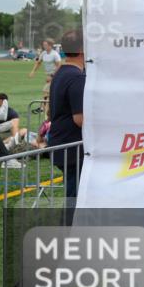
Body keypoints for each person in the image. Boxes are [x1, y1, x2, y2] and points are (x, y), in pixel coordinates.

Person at [47, 29, 86, 201]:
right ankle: (70, 227)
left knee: (73, 194)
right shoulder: (77, 77)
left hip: (61, 144)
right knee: (75, 197)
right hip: (72, 148)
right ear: (82, 50)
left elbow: (50, 111)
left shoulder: (61, 73)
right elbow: (80, 120)